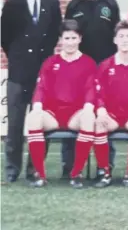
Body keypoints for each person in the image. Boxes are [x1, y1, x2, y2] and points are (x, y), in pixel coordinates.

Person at [1, 0, 62, 183]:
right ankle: (11, 170)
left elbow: (55, 35)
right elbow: (4, 37)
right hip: (18, 73)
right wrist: (18, 57)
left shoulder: (52, 4)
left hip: (43, 74)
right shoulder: (12, 4)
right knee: (15, 124)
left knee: (40, 123)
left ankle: (34, 169)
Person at [64, 0, 121, 180]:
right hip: (79, 68)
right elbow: (68, 36)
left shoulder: (110, 3)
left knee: (106, 112)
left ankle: (107, 163)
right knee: (75, 111)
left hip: (106, 68)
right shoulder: (74, 5)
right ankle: (68, 164)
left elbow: (118, 36)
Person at [24, 20, 98, 188]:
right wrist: (37, 105)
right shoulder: (50, 62)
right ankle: (40, 175)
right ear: (60, 40)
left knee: (88, 117)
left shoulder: (88, 63)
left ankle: (76, 173)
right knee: (34, 117)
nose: (70, 42)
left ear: (80, 39)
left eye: (73, 38)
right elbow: (41, 87)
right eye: (66, 38)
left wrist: (88, 106)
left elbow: (90, 89)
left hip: (75, 114)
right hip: (53, 114)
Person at [92, 20, 128, 188]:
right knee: (98, 123)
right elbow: (98, 93)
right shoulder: (105, 65)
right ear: (115, 40)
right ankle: (104, 172)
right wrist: (102, 110)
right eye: (121, 36)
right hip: (112, 115)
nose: (125, 40)